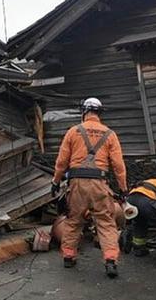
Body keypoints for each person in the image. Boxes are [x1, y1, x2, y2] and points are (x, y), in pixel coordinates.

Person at [52, 97, 127, 278]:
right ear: (100, 113)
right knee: (106, 222)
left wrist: (55, 182)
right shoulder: (110, 134)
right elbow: (118, 165)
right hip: (99, 183)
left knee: (73, 220)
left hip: (77, 183)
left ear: (84, 111)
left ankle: (69, 256)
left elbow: (62, 161)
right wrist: (124, 189)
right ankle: (110, 260)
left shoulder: (73, 131)